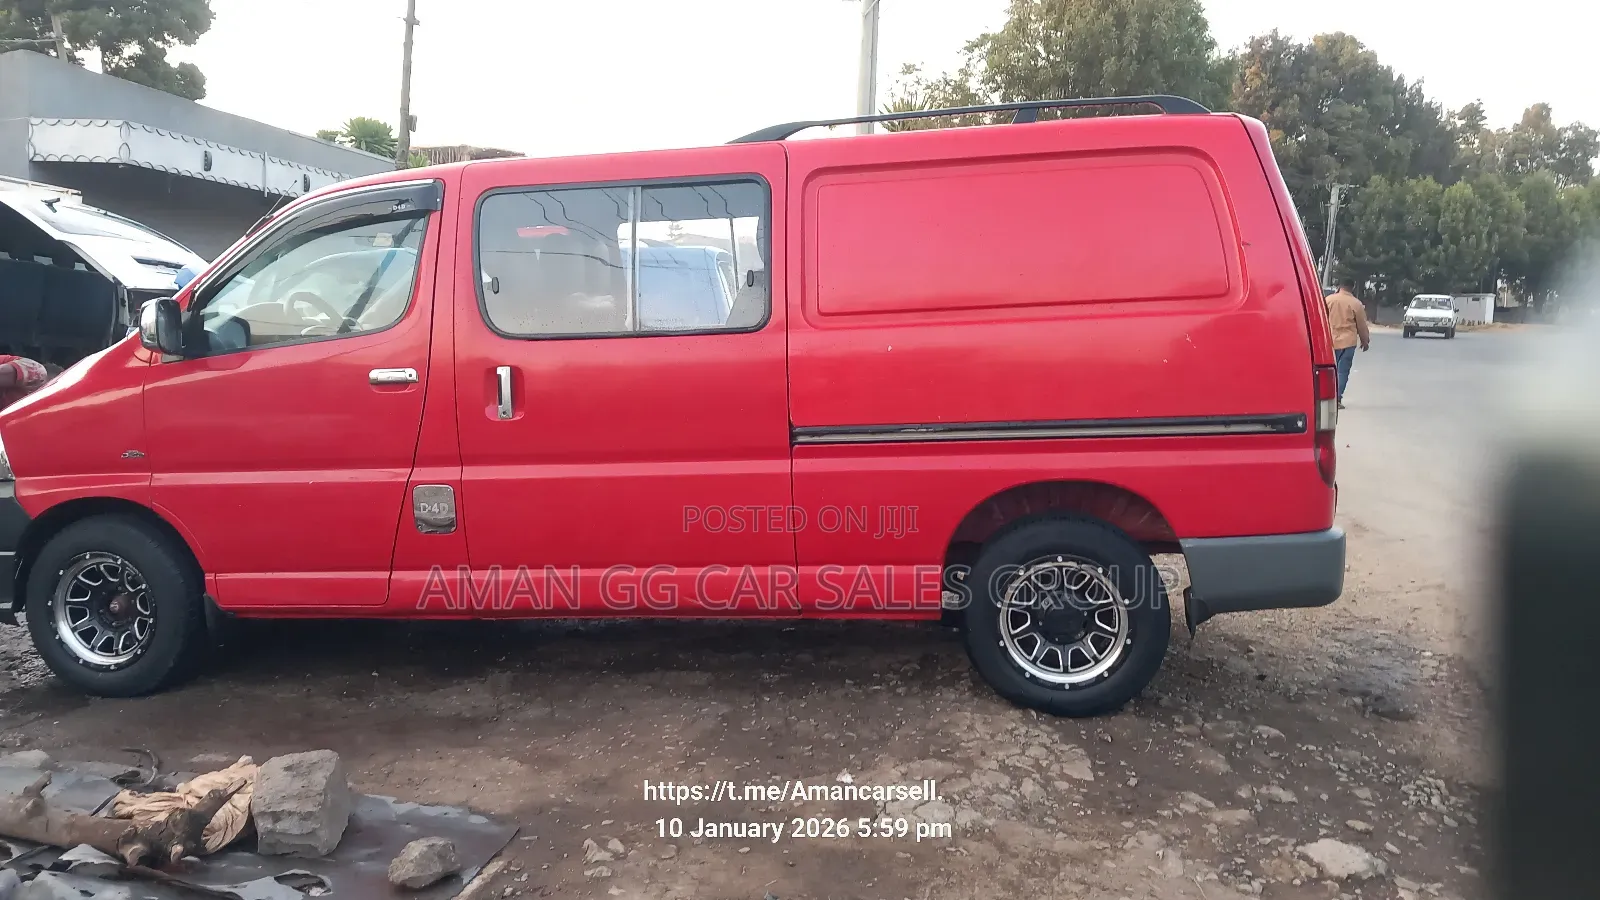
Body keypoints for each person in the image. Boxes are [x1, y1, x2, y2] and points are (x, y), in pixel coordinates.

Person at [1325, 276, 1370, 409]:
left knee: (1329, 372)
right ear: (1353, 288)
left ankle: (1327, 398)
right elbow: (1361, 325)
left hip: (1330, 341)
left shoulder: (1328, 300)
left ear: (1340, 286)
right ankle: (1338, 399)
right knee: (1343, 371)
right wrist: (1365, 340)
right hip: (1348, 342)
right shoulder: (1356, 303)